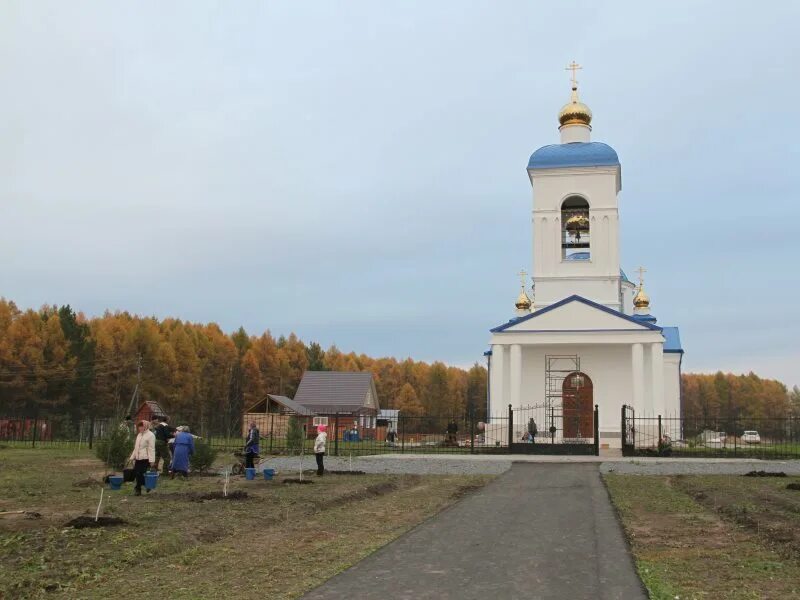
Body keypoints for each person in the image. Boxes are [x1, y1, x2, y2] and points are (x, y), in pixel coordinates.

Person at [128, 420, 155, 496]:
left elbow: (151, 448)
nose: (140, 428)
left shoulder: (151, 435)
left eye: (142, 426)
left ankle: (138, 489)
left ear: (146, 426)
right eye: (139, 426)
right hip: (138, 458)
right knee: (137, 474)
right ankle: (144, 486)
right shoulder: (139, 435)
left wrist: (152, 460)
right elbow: (136, 447)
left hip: (145, 458)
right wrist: (132, 457)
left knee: (141, 474)